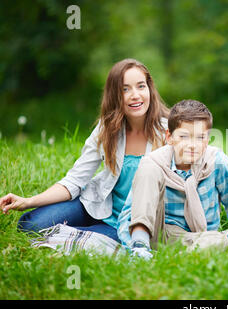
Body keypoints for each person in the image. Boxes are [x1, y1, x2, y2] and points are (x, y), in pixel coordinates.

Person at [0, 58, 170, 242]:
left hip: (130, 222)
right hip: (97, 206)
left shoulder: (169, 131)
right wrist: (28, 201)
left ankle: (78, 235)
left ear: (150, 89)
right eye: (125, 89)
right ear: (115, 95)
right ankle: (77, 233)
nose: (135, 95)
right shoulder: (108, 129)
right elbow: (75, 180)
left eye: (141, 86)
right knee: (30, 225)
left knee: (77, 239)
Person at [117, 99, 228, 259]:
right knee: (148, 167)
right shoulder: (155, 163)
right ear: (169, 137)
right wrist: (130, 246)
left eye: (200, 137)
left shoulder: (217, 162)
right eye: (184, 137)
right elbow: (128, 215)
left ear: (208, 139)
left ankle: (178, 258)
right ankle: (140, 249)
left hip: (202, 237)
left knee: (220, 241)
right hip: (161, 234)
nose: (192, 145)